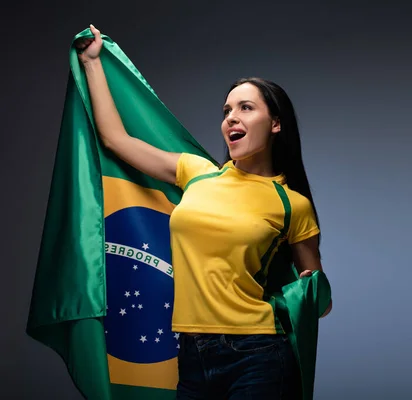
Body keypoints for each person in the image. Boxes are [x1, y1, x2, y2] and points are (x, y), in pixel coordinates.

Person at [74, 24, 332, 400]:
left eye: (246, 108)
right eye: (227, 110)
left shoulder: (292, 204)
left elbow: (319, 300)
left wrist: (310, 291)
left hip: (260, 354)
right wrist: (92, 62)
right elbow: (116, 139)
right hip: (192, 354)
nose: (231, 117)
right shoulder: (195, 172)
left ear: (275, 124)